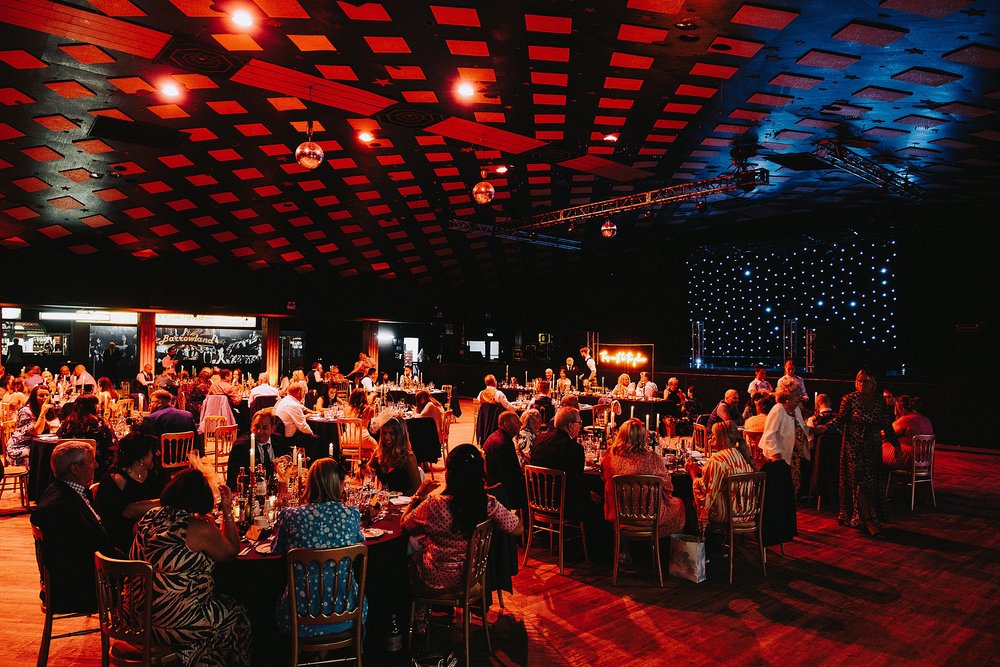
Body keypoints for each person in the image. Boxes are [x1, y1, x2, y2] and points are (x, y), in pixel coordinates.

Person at [131, 469, 251, 666]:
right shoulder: (198, 528)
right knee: (237, 613)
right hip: (172, 622)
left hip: (137, 615)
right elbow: (231, 552)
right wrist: (227, 510)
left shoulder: (150, 516)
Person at [402, 444, 522, 592]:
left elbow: (405, 525)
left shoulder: (433, 504)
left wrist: (417, 497)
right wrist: (491, 525)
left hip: (433, 579)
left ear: (450, 474)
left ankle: (418, 613)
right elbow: (518, 529)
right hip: (469, 577)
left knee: (405, 558)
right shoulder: (487, 503)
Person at [272, 458, 367, 639]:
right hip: (346, 611)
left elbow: (276, 549)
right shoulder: (351, 515)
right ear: (338, 484)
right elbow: (360, 543)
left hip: (299, 614)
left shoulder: (292, 516)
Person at [30, 440, 113, 613]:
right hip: (77, 591)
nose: (96, 465)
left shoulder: (60, 490)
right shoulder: (60, 507)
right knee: (150, 582)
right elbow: (78, 555)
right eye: (91, 461)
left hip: (80, 576)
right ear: (74, 468)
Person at [829, 370, 899, 537]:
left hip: (872, 445)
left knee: (870, 481)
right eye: (859, 381)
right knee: (859, 480)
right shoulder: (850, 399)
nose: (861, 384)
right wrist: (825, 426)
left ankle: (864, 516)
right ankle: (867, 520)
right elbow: (841, 418)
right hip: (854, 445)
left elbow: (886, 424)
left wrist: (895, 443)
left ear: (873, 383)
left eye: (865, 381)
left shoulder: (880, 400)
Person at [602, 419, 685, 539]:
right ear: (642, 437)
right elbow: (668, 486)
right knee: (680, 505)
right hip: (649, 516)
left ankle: (623, 550)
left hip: (618, 514)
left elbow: (604, 477)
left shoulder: (609, 456)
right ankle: (664, 551)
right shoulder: (652, 458)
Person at [759, 377, 813, 546]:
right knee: (782, 496)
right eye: (797, 394)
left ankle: (788, 528)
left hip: (794, 458)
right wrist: (777, 455)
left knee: (792, 493)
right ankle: (781, 529)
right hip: (780, 460)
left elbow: (802, 428)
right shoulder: (778, 410)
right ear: (787, 397)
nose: (801, 397)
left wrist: (813, 429)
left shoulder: (795, 410)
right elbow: (769, 435)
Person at [95, 432, 162, 553]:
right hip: (123, 540)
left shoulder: (153, 472)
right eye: (153, 451)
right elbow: (130, 511)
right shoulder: (116, 480)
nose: (157, 453)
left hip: (147, 531)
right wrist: (169, 501)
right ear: (141, 458)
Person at [688, 422, 756, 533]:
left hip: (726, 515)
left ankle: (701, 541)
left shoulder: (717, 460)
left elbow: (705, 493)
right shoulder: (743, 455)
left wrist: (692, 472)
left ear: (724, 438)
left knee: (688, 501)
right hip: (748, 512)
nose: (710, 437)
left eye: (713, 434)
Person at [530, 407, 594, 520]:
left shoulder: (539, 439)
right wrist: (588, 494)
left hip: (538, 500)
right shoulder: (574, 448)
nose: (580, 426)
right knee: (597, 503)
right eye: (579, 423)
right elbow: (576, 482)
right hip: (563, 505)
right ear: (570, 425)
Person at [57, 393, 117, 478]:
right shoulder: (100, 423)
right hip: (96, 466)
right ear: (93, 406)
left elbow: (60, 440)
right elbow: (112, 446)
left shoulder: (67, 423)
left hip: (70, 467)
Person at [226, 411, 288, 488]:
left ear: (272, 428)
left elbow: (287, 462)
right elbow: (232, 480)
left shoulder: (278, 440)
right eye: (257, 427)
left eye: (264, 428)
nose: (259, 431)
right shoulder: (241, 446)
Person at [483, 410, 527, 512]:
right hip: (502, 490)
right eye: (517, 422)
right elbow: (512, 475)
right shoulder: (503, 443)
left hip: (494, 481)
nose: (520, 424)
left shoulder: (495, 436)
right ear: (507, 425)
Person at [364, 416, 421, 494]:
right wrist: (368, 471)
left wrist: (397, 498)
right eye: (384, 433)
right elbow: (368, 468)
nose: (386, 437)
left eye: (391, 433)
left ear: (400, 436)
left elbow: (417, 489)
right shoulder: (379, 453)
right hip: (384, 500)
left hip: (403, 502)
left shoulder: (408, 457)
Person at [6, 384, 58, 466]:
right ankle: (33, 478)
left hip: (36, 445)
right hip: (19, 446)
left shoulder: (46, 408)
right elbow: (36, 432)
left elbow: (55, 426)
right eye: (41, 395)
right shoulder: (25, 411)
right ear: (34, 397)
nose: (45, 398)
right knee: (46, 457)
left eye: (47, 395)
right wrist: (42, 414)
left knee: (55, 454)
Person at [883, 395, 934, 470]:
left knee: (877, 447)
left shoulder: (906, 420)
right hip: (925, 460)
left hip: (910, 459)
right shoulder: (926, 419)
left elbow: (887, 433)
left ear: (899, 407)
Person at [274, 382, 321, 457]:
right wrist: (312, 433)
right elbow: (302, 426)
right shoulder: (293, 405)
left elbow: (300, 410)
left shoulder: (285, 400)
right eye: (303, 392)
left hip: (281, 434)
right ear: (299, 393)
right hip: (289, 437)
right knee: (316, 439)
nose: (304, 394)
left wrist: (311, 413)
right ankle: (312, 462)